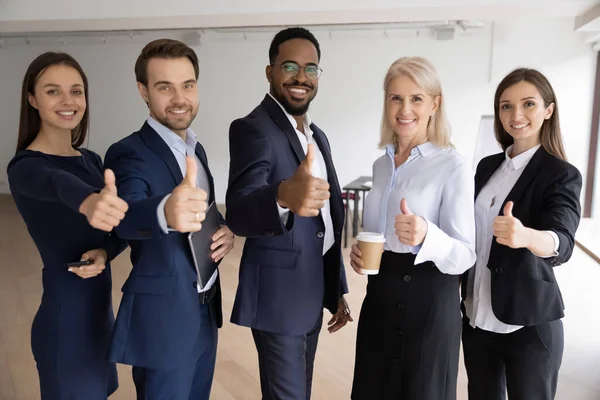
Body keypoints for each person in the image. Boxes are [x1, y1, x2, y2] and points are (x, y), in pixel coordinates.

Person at [104, 39, 235, 399]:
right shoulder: (128, 153)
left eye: (187, 85)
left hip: (205, 311)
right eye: (165, 87)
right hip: (164, 319)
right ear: (143, 91)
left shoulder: (196, 147)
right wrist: (165, 211)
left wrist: (223, 229)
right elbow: (125, 218)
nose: (180, 98)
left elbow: (201, 212)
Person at [225, 27, 352, 399]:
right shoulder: (254, 129)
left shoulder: (317, 136)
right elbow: (239, 211)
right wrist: (281, 195)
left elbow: (325, 224)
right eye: (291, 66)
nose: (301, 77)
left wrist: (336, 287)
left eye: (311, 69)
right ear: (270, 72)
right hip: (278, 300)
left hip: (312, 292)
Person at [349, 56, 476, 399]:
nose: (405, 109)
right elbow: (378, 231)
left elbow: (465, 255)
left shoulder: (453, 165)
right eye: (396, 98)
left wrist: (426, 235)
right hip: (380, 295)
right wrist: (360, 254)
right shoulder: (381, 165)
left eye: (416, 98)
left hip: (429, 300)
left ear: (435, 104)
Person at [7, 52, 129, 400]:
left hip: (100, 320)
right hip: (65, 327)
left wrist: (105, 251)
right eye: (52, 91)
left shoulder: (91, 160)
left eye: (76, 91)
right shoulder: (25, 167)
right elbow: (56, 183)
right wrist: (89, 202)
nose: (68, 101)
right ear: (32, 99)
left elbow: (117, 233)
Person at [461, 68, 582, 400]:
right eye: (505, 106)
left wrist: (526, 236)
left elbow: (562, 241)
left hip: (528, 323)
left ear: (548, 110)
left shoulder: (561, 173)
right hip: (476, 316)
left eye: (528, 104)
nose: (516, 115)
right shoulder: (487, 167)